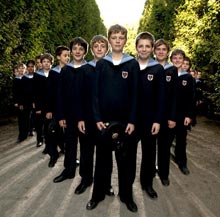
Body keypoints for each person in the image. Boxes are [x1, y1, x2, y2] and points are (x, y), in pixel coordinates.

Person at [86, 24, 139, 213]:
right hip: (104, 122)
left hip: (126, 124)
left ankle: (127, 196)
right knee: (102, 161)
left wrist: (133, 120)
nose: (117, 41)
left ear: (125, 40)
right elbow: (95, 95)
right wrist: (97, 118)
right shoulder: (102, 64)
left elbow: (135, 95)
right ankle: (97, 195)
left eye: (121, 38)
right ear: (110, 40)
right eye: (114, 37)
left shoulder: (132, 64)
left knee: (125, 162)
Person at [76, 35, 109, 194]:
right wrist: (80, 118)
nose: (99, 48)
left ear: (107, 49)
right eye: (96, 46)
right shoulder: (85, 69)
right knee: (86, 151)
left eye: (102, 46)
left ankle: (105, 183)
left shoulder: (112, 67)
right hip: (88, 118)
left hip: (106, 118)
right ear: (92, 49)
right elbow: (80, 95)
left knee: (105, 154)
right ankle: (85, 179)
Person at [53, 37, 88, 183]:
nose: (78, 51)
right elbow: (59, 95)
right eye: (75, 49)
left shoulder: (89, 69)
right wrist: (60, 116)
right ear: (71, 51)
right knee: (70, 144)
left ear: (85, 51)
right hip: (68, 116)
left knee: (86, 148)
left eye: (81, 49)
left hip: (85, 117)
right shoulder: (65, 71)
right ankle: (69, 170)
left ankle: (85, 177)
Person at [135, 32, 165, 199]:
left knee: (149, 154)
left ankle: (147, 184)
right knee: (128, 155)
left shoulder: (157, 69)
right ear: (136, 48)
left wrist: (157, 120)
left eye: (147, 46)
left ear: (152, 49)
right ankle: (127, 186)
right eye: (141, 46)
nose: (144, 49)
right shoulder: (130, 66)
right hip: (132, 120)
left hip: (150, 121)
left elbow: (161, 98)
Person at [154, 39, 178, 186]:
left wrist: (172, 117)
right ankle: (149, 171)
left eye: (164, 49)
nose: (161, 51)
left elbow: (175, 96)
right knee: (149, 148)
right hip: (151, 115)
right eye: (158, 49)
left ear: (167, 51)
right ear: (154, 51)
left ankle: (164, 174)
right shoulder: (149, 67)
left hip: (167, 116)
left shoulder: (172, 70)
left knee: (164, 146)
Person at [170, 49, 194, 175]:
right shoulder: (166, 74)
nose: (177, 60)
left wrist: (189, 115)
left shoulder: (188, 77)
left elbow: (191, 98)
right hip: (168, 115)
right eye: (175, 58)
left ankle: (182, 162)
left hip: (182, 115)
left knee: (181, 140)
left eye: (180, 58)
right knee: (165, 141)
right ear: (171, 59)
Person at [45, 46, 70, 167]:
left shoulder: (71, 70)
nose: (67, 58)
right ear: (58, 57)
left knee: (68, 134)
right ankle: (53, 155)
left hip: (68, 107)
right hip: (55, 108)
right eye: (65, 55)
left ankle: (68, 154)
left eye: (68, 55)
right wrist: (49, 109)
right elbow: (49, 93)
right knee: (52, 131)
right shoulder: (53, 73)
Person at [33, 53, 54, 150]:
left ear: (51, 63)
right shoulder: (37, 75)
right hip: (42, 106)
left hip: (52, 105)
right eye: (44, 62)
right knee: (43, 126)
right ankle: (44, 144)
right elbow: (36, 93)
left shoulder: (54, 74)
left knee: (52, 128)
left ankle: (55, 145)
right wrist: (37, 107)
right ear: (41, 63)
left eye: (48, 62)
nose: (46, 63)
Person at [20, 60, 35, 140]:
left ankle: (32, 130)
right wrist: (21, 103)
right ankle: (24, 134)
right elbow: (21, 92)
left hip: (36, 101)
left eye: (32, 66)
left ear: (34, 67)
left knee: (35, 117)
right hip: (26, 101)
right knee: (25, 118)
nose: (30, 68)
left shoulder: (37, 76)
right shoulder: (24, 78)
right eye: (28, 66)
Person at [12, 63, 26, 143]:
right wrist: (16, 102)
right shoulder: (16, 80)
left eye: (23, 68)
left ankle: (26, 132)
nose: (21, 70)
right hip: (19, 103)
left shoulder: (27, 79)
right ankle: (21, 135)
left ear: (25, 70)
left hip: (27, 103)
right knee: (21, 119)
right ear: (17, 70)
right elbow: (15, 92)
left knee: (26, 119)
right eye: (19, 68)